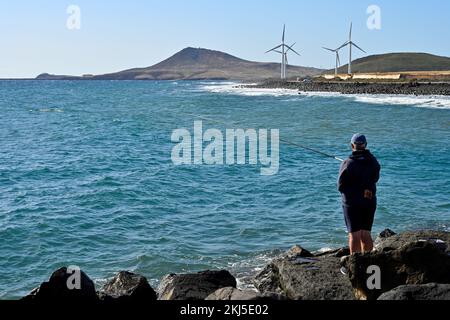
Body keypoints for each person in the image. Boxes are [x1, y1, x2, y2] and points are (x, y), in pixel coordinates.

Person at [338, 134, 380, 255]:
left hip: (352, 203)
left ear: (352, 146)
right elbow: (375, 178)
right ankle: (368, 262)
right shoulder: (373, 161)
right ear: (365, 145)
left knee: (354, 235)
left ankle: (355, 265)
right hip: (369, 201)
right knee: (366, 234)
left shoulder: (348, 163)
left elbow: (340, 186)